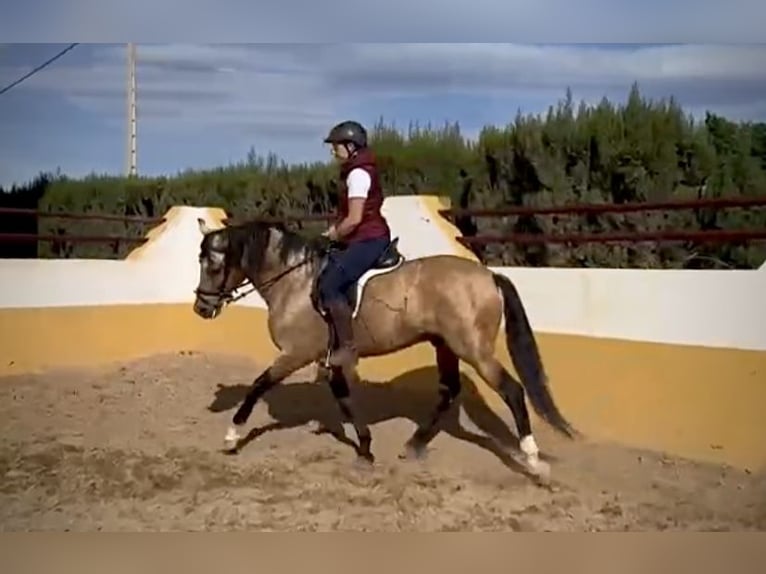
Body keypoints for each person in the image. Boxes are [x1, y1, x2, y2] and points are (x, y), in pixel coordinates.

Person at [318, 120, 392, 368]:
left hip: (369, 238)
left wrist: (335, 234)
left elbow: (354, 218)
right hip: (364, 235)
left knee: (330, 286)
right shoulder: (357, 169)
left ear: (351, 146)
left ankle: (348, 348)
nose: (333, 151)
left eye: (336, 146)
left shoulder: (358, 174)